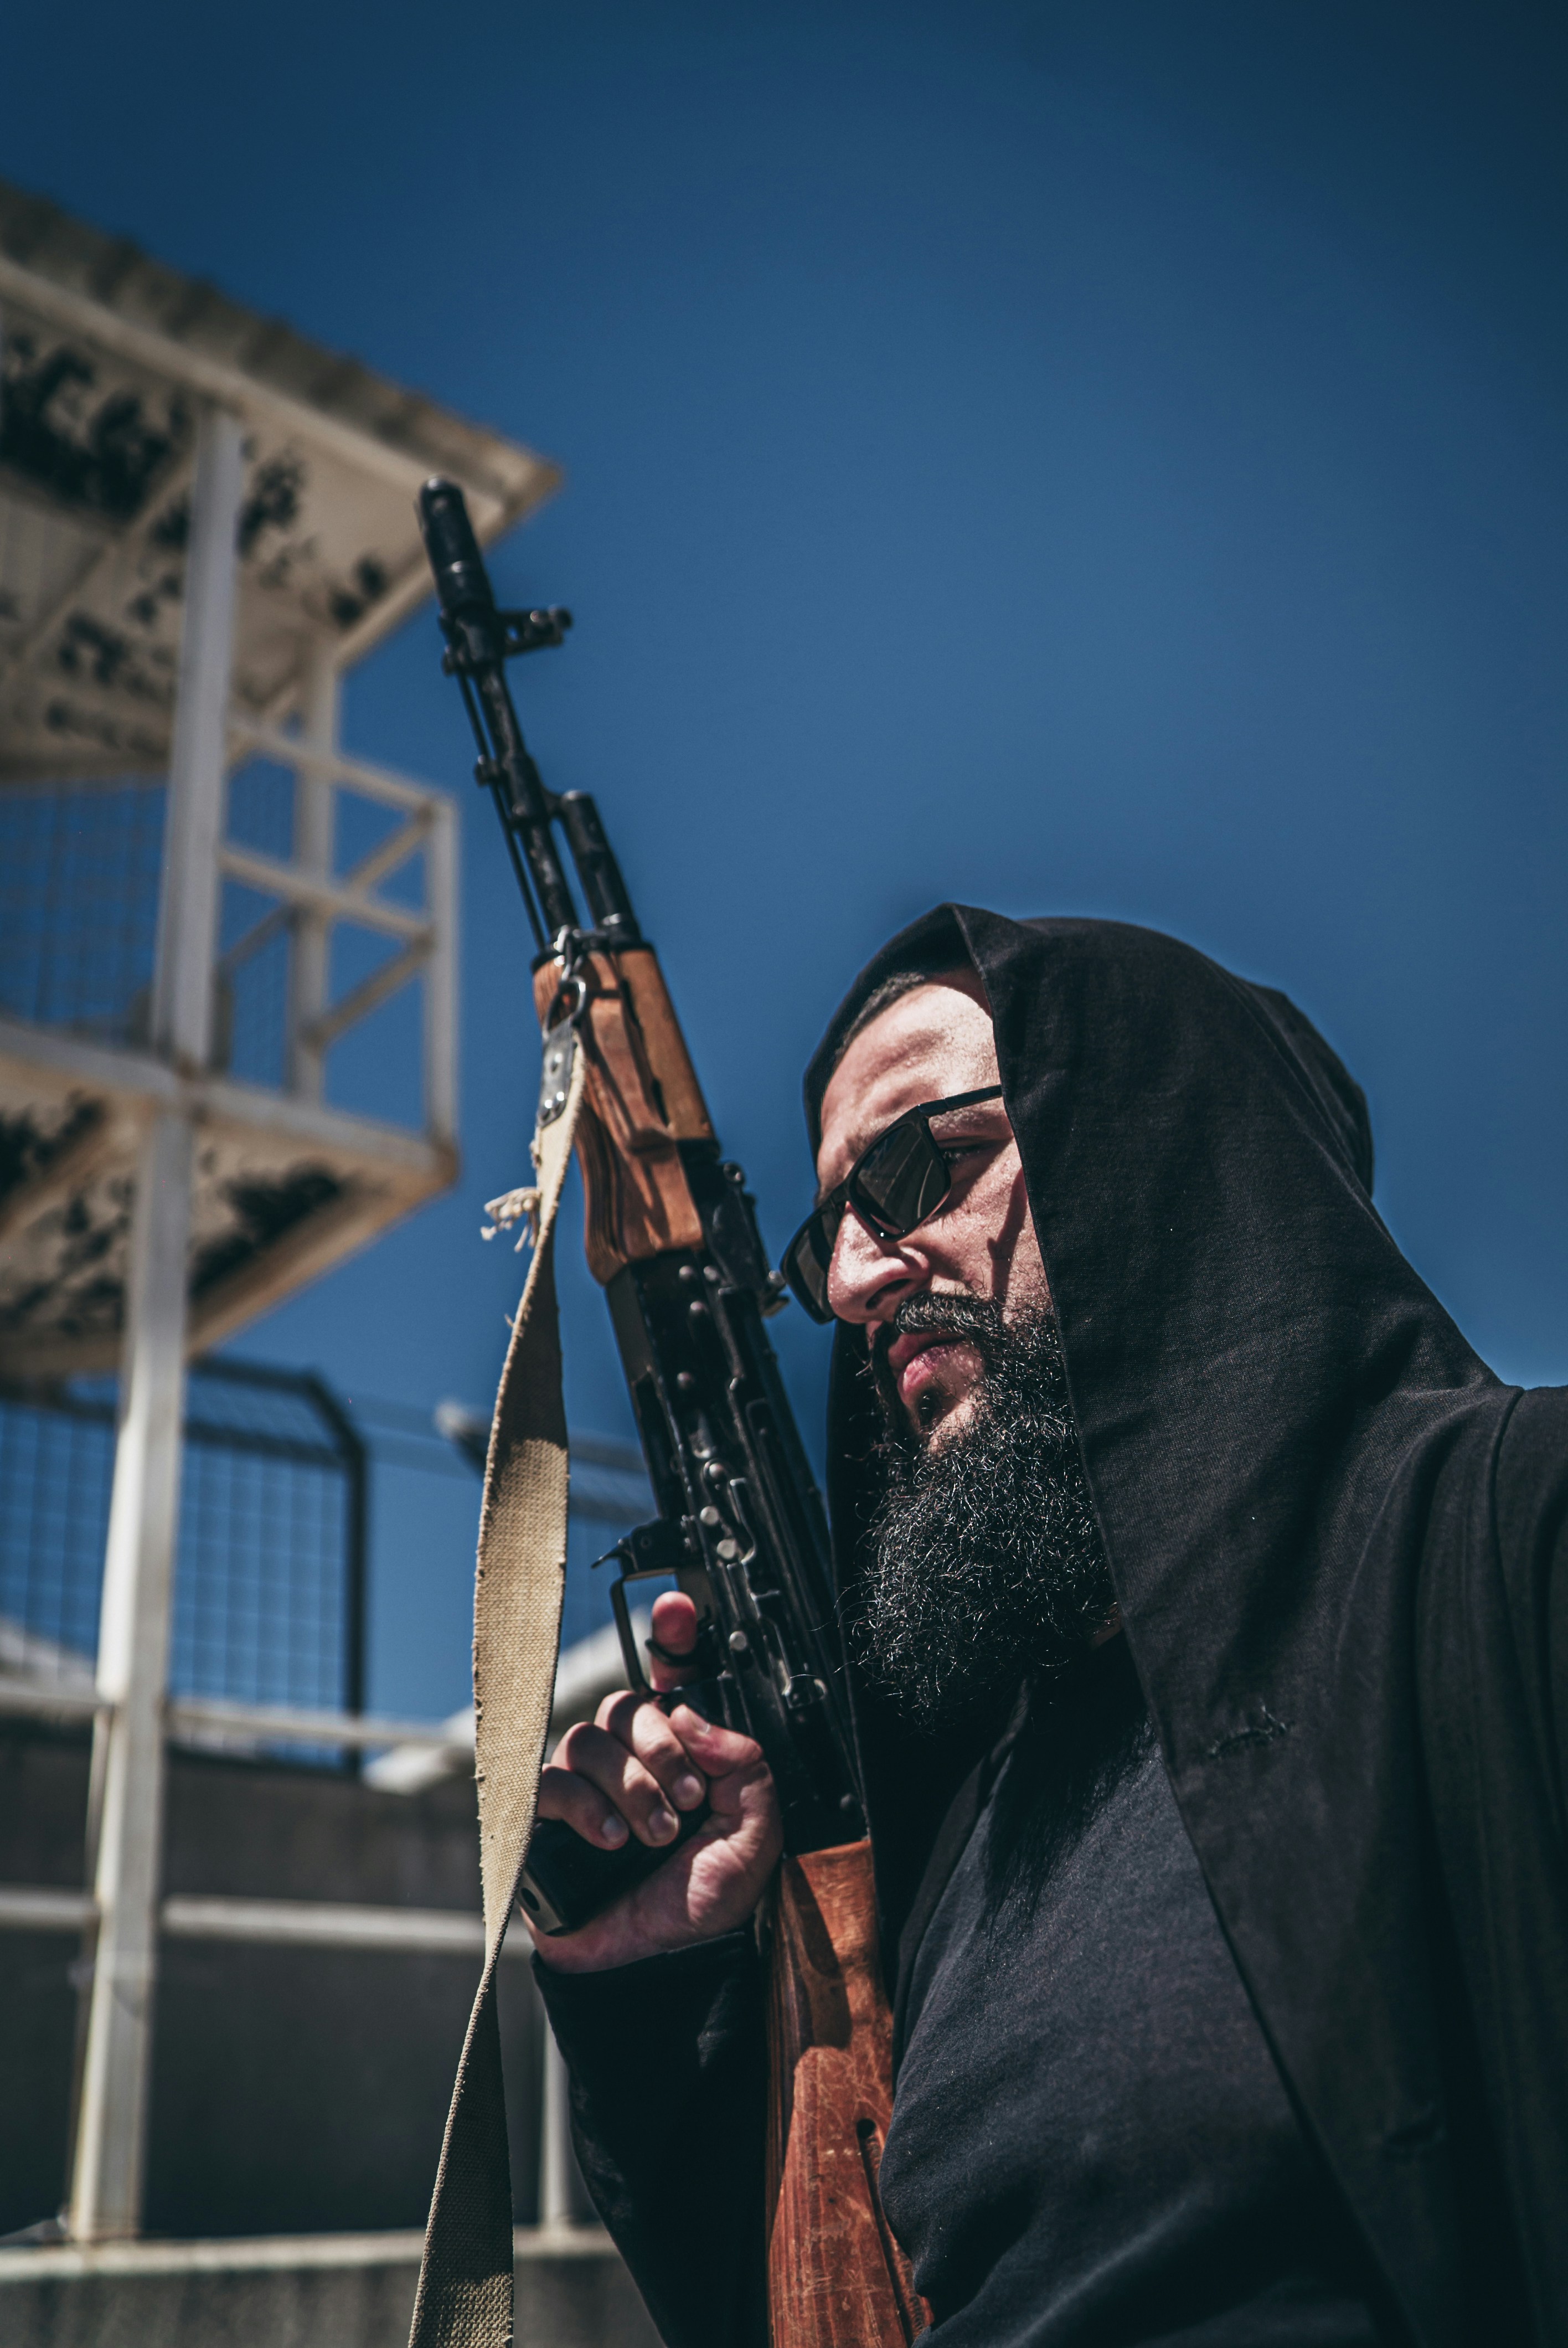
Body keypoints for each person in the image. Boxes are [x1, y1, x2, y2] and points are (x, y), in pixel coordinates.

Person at [527, 906, 1568, 2348]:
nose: (850, 1284)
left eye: (916, 1166)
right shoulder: (976, 1812)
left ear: (1155, 1138)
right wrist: (664, 2001)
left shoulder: (1503, 1538)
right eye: (834, 1227)